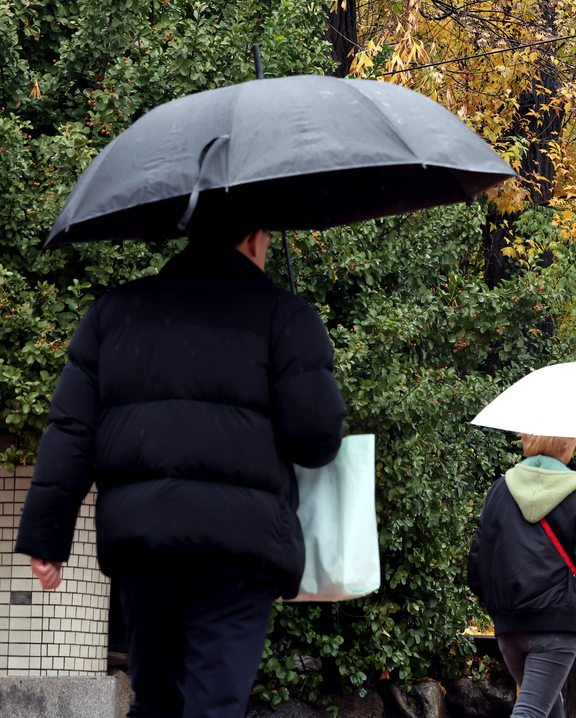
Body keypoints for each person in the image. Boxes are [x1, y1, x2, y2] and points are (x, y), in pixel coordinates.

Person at [15, 223, 347, 718]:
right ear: (255, 236)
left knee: (155, 700)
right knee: (215, 703)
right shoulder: (284, 316)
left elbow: (71, 430)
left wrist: (47, 536)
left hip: (144, 545)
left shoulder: (113, 313)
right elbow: (317, 441)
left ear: (189, 234)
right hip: (239, 549)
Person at [468, 434, 576, 718]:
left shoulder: (499, 490)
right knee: (531, 712)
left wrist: (499, 607)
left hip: (508, 626)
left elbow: (477, 564)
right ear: (568, 444)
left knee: (549, 710)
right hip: (555, 622)